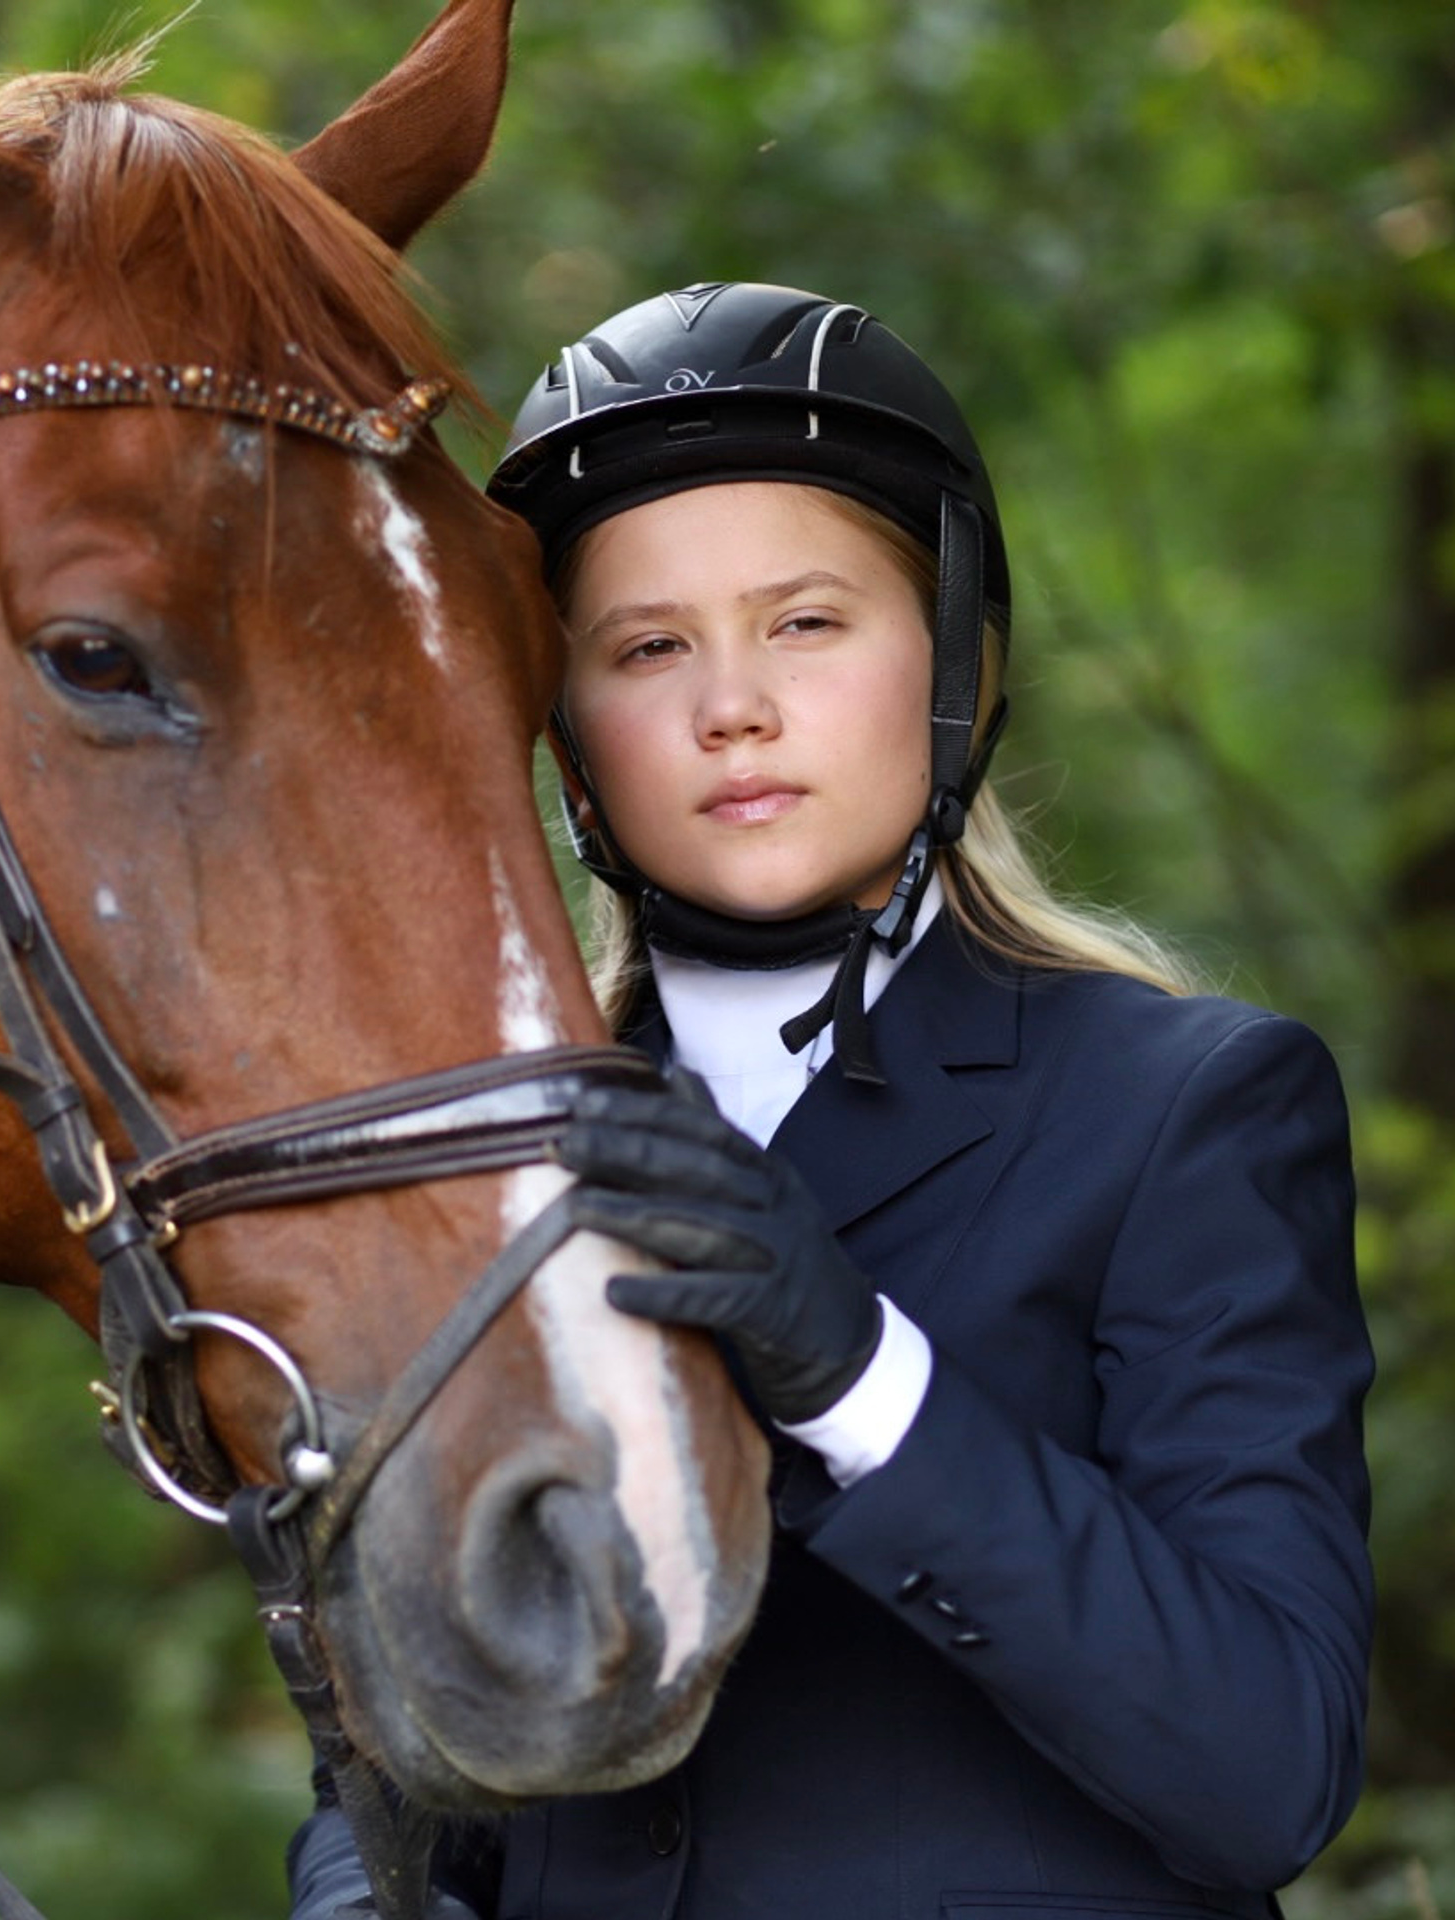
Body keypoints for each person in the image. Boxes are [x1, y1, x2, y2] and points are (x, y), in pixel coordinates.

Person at [285, 281, 1374, 1920]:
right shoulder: (475, 1160)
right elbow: (398, 1768)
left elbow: (1269, 1771)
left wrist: (863, 1377)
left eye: (805, 621)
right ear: (567, 732)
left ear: (950, 655)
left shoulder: (1188, 1109)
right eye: (647, 648)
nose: (733, 704)